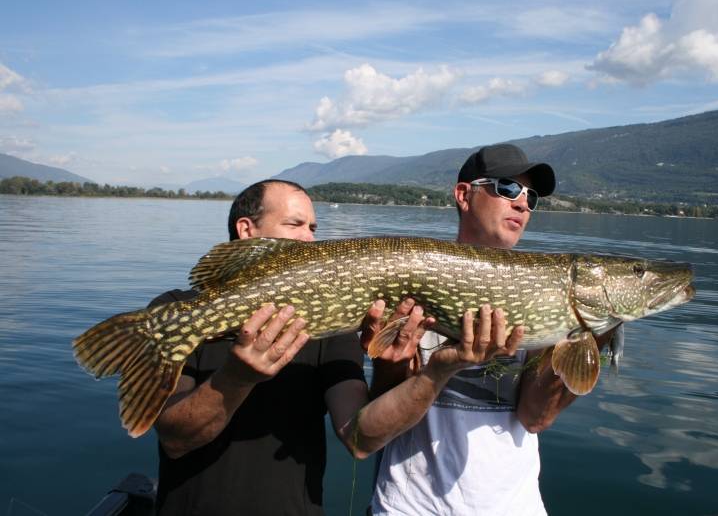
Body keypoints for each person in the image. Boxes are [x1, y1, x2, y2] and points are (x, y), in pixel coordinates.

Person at [151, 179, 431, 515]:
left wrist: (428, 368)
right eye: (294, 224)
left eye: (313, 227)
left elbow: (360, 438)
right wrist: (236, 377)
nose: (310, 238)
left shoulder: (330, 327)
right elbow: (175, 439)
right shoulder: (177, 312)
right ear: (246, 230)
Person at [365, 143, 612, 515]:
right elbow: (373, 431)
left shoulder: (544, 294)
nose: (522, 203)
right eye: (508, 188)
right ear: (464, 194)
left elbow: (535, 417)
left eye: (531, 198)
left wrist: (594, 332)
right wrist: (397, 365)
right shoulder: (410, 277)